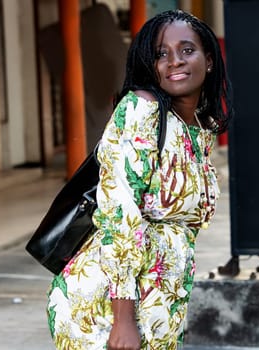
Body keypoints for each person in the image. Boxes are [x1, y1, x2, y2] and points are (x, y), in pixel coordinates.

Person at [47, 9, 233, 350]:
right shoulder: (141, 110)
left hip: (161, 299)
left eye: (186, 50)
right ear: (151, 66)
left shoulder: (199, 129)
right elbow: (120, 215)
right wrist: (123, 319)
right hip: (106, 305)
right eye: (162, 54)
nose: (174, 61)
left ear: (209, 61)